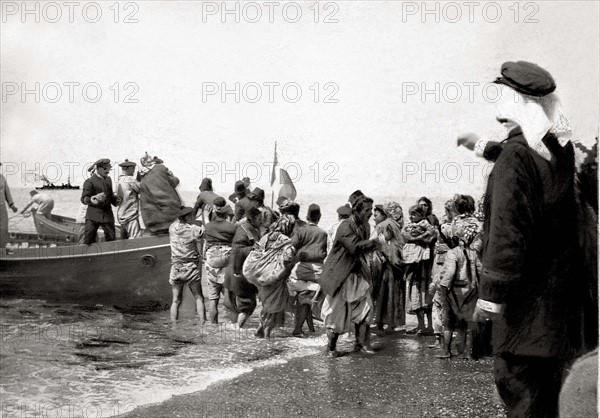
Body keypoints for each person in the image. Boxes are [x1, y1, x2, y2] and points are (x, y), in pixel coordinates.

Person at [460, 61, 583, 417]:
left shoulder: (516, 157)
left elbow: (506, 234)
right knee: (548, 401)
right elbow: (528, 165)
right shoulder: (559, 151)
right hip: (556, 316)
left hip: (522, 313)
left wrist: (490, 299)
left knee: (521, 397)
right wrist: (482, 146)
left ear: (516, 102)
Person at [320, 195, 379, 357]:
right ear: (357, 210)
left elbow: (362, 250)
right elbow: (354, 247)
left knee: (365, 309)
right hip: (339, 275)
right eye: (367, 210)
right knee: (336, 315)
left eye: (372, 210)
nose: (371, 213)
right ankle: (331, 348)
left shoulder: (365, 226)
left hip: (356, 273)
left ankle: (361, 344)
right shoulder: (345, 226)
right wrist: (376, 242)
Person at [436, 199, 482, 359]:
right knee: (469, 322)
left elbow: (449, 273)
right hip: (471, 288)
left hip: (454, 289)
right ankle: (468, 353)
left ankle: (445, 350)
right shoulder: (477, 226)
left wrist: (443, 288)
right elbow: (480, 269)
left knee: (449, 322)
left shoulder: (453, 251)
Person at [288, 204, 328, 337]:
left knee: (303, 297)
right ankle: (299, 329)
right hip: (316, 269)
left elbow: (292, 247)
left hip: (300, 268)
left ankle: (306, 328)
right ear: (319, 217)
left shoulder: (301, 230)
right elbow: (324, 253)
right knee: (308, 298)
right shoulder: (323, 233)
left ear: (307, 216)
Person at [254, 214, 295, 338]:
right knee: (273, 310)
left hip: (261, 277)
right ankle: (266, 339)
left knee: (266, 306)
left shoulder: (265, 237)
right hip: (276, 279)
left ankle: (259, 331)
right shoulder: (286, 242)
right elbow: (287, 261)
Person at [223, 207, 262, 328]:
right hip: (238, 272)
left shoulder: (248, 229)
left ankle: (234, 327)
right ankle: (237, 330)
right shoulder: (245, 231)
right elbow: (238, 250)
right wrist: (256, 249)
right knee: (247, 305)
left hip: (234, 271)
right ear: (252, 219)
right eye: (259, 219)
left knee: (235, 305)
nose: (261, 221)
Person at [402, 204, 436, 335]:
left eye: (414, 215)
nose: (411, 217)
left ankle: (429, 326)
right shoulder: (410, 225)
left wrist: (420, 237)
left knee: (423, 294)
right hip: (413, 262)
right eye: (410, 214)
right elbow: (404, 234)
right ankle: (421, 325)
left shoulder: (425, 224)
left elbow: (431, 233)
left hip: (422, 263)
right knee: (416, 295)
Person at [168, 206, 206, 324]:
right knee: (199, 297)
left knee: (176, 300)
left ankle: (174, 324)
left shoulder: (172, 228)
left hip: (176, 267)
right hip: (190, 267)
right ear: (188, 216)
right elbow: (204, 231)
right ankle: (202, 324)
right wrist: (205, 217)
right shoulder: (193, 229)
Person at [372, 204, 405, 333]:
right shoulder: (394, 224)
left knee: (384, 292)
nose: (374, 217)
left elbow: (379, 242)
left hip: (387, 263)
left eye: (376, 215)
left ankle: (383, 322)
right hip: (394, 262)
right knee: (391, 292)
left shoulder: (384, 225)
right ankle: (391, 322)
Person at [204, 197, 237, 324]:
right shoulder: (232, 227)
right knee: (229, 296)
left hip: (212, 263)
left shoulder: (208, 226)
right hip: (227, 263)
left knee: (213, 299)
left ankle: (213, 326)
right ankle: (235, 324)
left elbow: (207, 227)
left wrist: (207, 216)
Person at [137, 153, 182, 235]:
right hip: (169, 214)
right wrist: (173, 176)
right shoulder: (161, 168)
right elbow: (174, 182)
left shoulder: (140, 172)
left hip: (149, 217)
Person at [80, 159, 120, 245]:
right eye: (105, 169)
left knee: (111, 239)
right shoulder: (89, 182)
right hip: (93, 215)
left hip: (107, 215)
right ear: (98, 168)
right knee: (88, 241)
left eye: (109, 169)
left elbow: (110, 196)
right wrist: (93, 198)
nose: (108, 171)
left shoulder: (108, 180)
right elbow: (83, 199)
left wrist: (117, 200)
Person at [116, 160, 141, 239]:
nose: (134, 170)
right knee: (135, 238)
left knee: (124, 239)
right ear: (128, 168)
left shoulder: (119, 180)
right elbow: (141, 189)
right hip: (130, 215)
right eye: (133, 168)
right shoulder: (130, 179)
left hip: (121, 215)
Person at [0, 163, 18, 248]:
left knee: (4, 228)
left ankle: (2, 248)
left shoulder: (2, 178)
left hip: (2, 208)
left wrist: (12, 205)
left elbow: (7, 192)